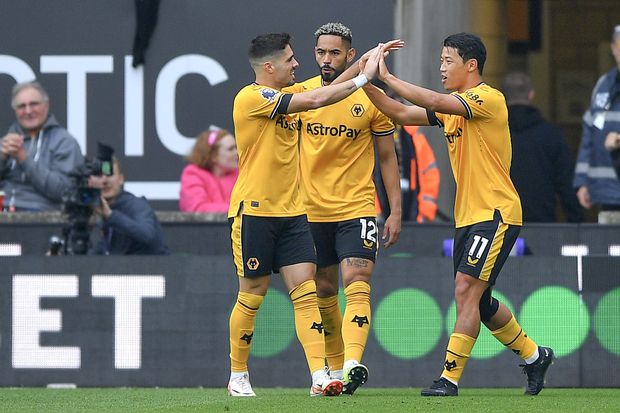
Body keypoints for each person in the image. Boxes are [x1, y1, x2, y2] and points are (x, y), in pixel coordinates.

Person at [362, 32, 554, 396]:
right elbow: (400, 112)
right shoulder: (451, 110)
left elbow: (434, 100)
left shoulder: (488, 98)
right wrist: (362, 82)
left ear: (471, 65)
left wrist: (386, 76)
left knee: (465, 289)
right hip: (467, 217)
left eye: (448, 61)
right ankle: (535, 356)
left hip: (496, 212)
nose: (441, 68)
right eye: (440, 61)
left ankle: (448, 379)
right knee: (480, 302)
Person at [226, 32, 393, 397]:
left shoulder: (289, 97)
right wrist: (364, 78)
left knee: (306, 294)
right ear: (269, 67)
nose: (297, 63)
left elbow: (327, 90)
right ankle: (238, 374)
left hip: (293, 215)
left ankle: (320, 374)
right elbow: (318, 97)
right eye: (290, 59)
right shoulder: (252, 98)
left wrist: (362, 64)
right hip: (254, 212)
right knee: (252, 296)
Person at [295, 22, 401, 395]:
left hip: (357, 208)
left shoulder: (372, 98)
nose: (326, 59)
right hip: (310, 211)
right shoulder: (302, 95)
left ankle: (353, 362)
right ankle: (335, 371)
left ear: (350, 55)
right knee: (324, 290)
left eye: (335, 52)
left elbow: (387, 158)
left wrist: (395, 210)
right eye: (321, 52)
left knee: (357, 282)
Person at [503, 72, 583, 223]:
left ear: (503, 97)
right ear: (531, 95)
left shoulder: (491, 134)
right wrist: (576, 221)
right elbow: (565, 182)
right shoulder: (551, 134)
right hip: (542, 222)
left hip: (500, 222)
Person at [0, 81, 84, 211]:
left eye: (34, 104)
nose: (28, 111)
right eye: (21, 106)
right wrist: (2, 159)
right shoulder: (6, 142)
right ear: (15, 110)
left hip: (42, 216)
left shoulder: (64, 142)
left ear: (46, 106)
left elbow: (64, 191)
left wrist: (24, 159)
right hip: (4, 212)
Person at [574, 25, 620, 224]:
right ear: (613, 48)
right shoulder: (604, 85)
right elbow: (589, 134)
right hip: (606, 194)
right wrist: (582, 181)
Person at [89, 154, 169, 255]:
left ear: (121, 179)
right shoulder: (98, 209)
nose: (105, 180)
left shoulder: (136, 205)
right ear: (90, 182)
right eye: (99, 176)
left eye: (110, 174)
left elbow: (147, 235)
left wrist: (110, 215)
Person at [179, 127, 238, 213]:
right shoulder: (192, 174)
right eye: (230, 149)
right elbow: (197, 208)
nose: (237, 152)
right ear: (213, 155)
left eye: (236, 148)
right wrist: (237, 210)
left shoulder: (241, 174)